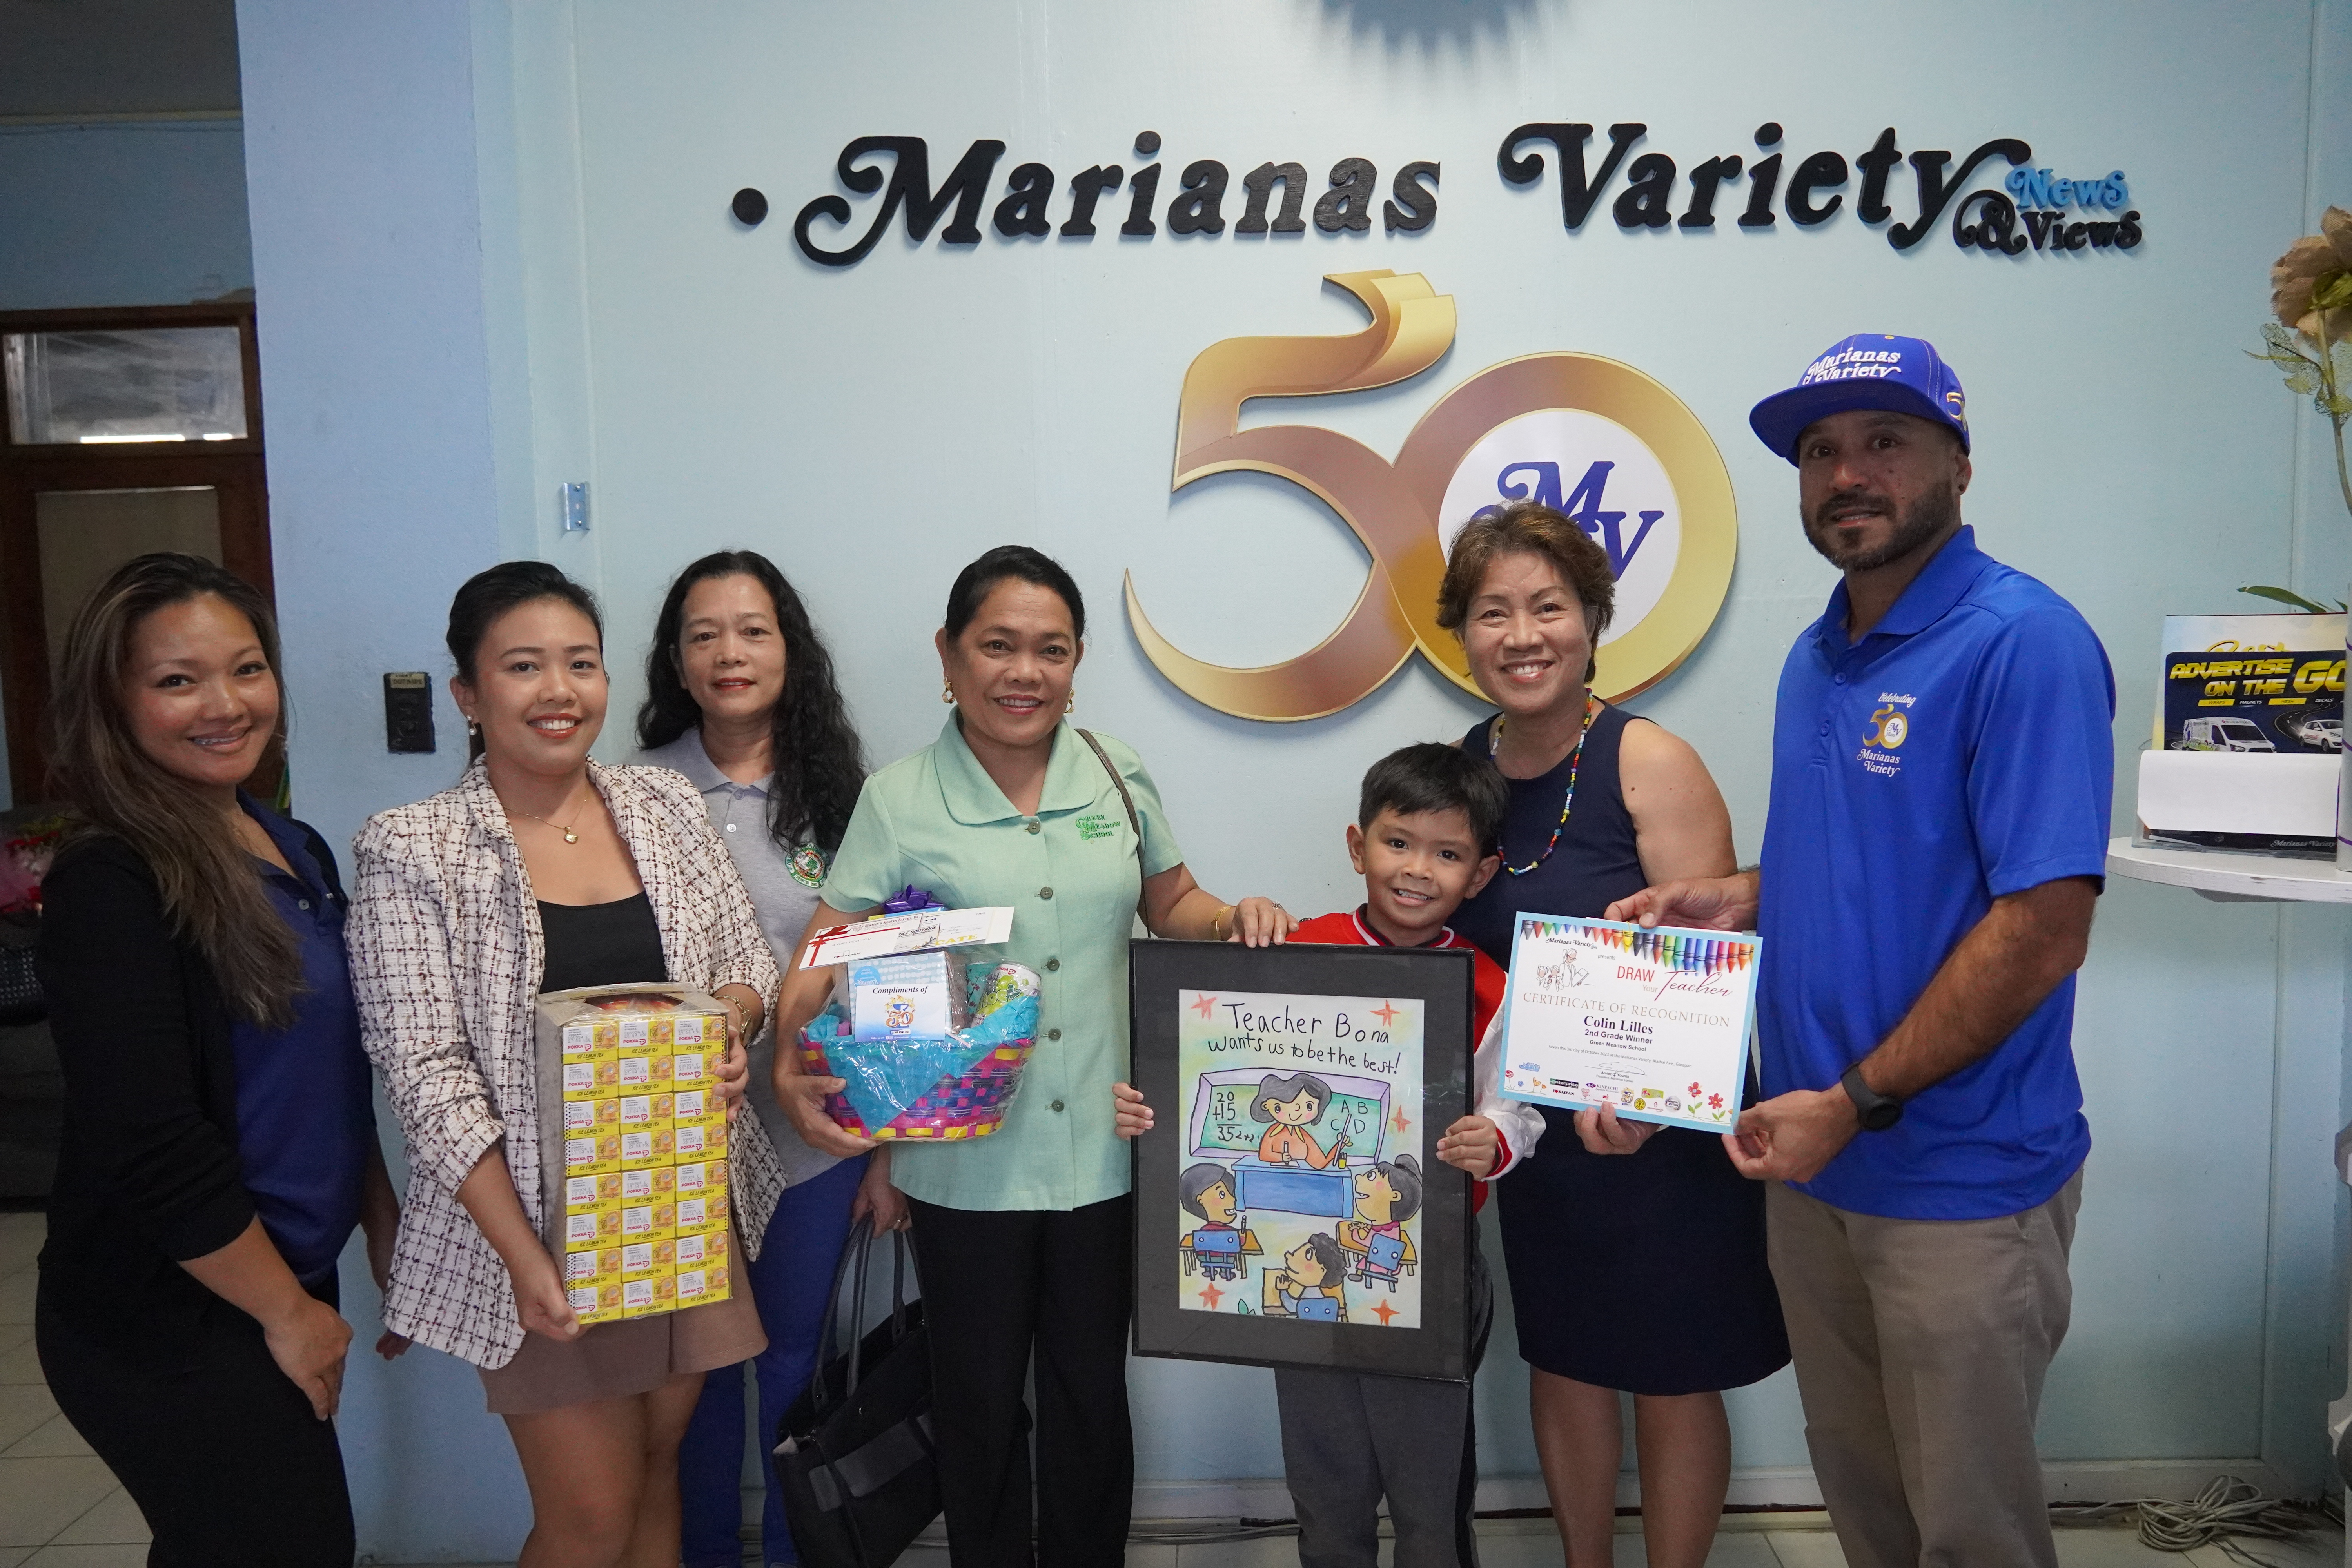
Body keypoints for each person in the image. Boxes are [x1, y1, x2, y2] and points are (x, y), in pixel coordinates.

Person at [1608, 336, 2112, 1568]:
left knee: (1970, 1530)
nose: (1848, 473)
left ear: (1958, 461)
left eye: (1884, 441)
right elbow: (1873, 867)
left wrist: (1860, 1098)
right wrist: (1733, 898)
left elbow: (2042, 927)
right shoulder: (1817, 653)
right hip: (1815, 1167)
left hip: (1957, 1179)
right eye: (1821, 451)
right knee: (1869, 1507)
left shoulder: (2021, 645)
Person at [769, 544, 1295, 1568]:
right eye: (998, 646)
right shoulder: (903, 796)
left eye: (1050, 651)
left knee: (1091, 1395)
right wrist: (796, 1046)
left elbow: (1169, 901)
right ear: (950, 655)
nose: (1025, 673)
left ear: (1078, 660)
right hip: (965, 1162)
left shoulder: (1113, 769)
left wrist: (1235, 919)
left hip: (1106, 1145)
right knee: (974, 1396)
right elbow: (829, 951)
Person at [347, 561, 787, 1568]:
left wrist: (730, 1024)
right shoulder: (414, 848)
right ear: (468, 691)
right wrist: (525, 1256)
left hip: (678, 1210)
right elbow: (426, 1074)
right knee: (587, 1514)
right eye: (523, 666)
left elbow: (744, 965)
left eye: (579, 662)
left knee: (655, 1474)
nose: (559, 690)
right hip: (533, 1225)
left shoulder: (664, 804)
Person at [34, 553, 401, 1566]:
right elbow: (150, 1141)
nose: (224, 705)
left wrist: (380, 1220)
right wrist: (290, 1316)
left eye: (246, 669)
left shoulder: (294, 846)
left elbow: (330, 1077)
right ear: (115, 702)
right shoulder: (111, 879)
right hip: (170, 1312)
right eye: (177, 680)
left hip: (279, 1281)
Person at [1441, 501, 1789, 1568]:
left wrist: (1638, 1110)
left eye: (1548, 607)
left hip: (1665, 1140)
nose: (1523, 635)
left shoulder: (1650, 759)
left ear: (1592, 620)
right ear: (1462, 634)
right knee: (1568, 1361)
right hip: (1543, 1134)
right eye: (1494, 613)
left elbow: (1710, 964)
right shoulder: (1463, 766)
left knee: (1676, 1374)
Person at [1115, 740, 1520, 1568]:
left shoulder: (1486, 982)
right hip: (1301, 1272)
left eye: (1447, 854)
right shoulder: (1300, 951)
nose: (1416, 870)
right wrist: (1148, 1112)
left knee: (1429, 1489)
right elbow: (1203, 1052)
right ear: (1357, 844)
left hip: (1430, 1263)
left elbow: (1515, 1103)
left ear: (1480, 874)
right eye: (1398, 842)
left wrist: (1500, 1139)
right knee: (1325, 1474)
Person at [631, 549, 881, 1568]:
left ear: (791, 650)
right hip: (672, 1146)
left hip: (816, 1139)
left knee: (790, 1367)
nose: (729, 653)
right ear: (677, 662)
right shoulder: (629, 795)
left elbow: (880, 991)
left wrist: (889, 1153)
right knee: (684, 1382)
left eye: (753, 630)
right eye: (704, 634)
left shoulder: (848, 798)